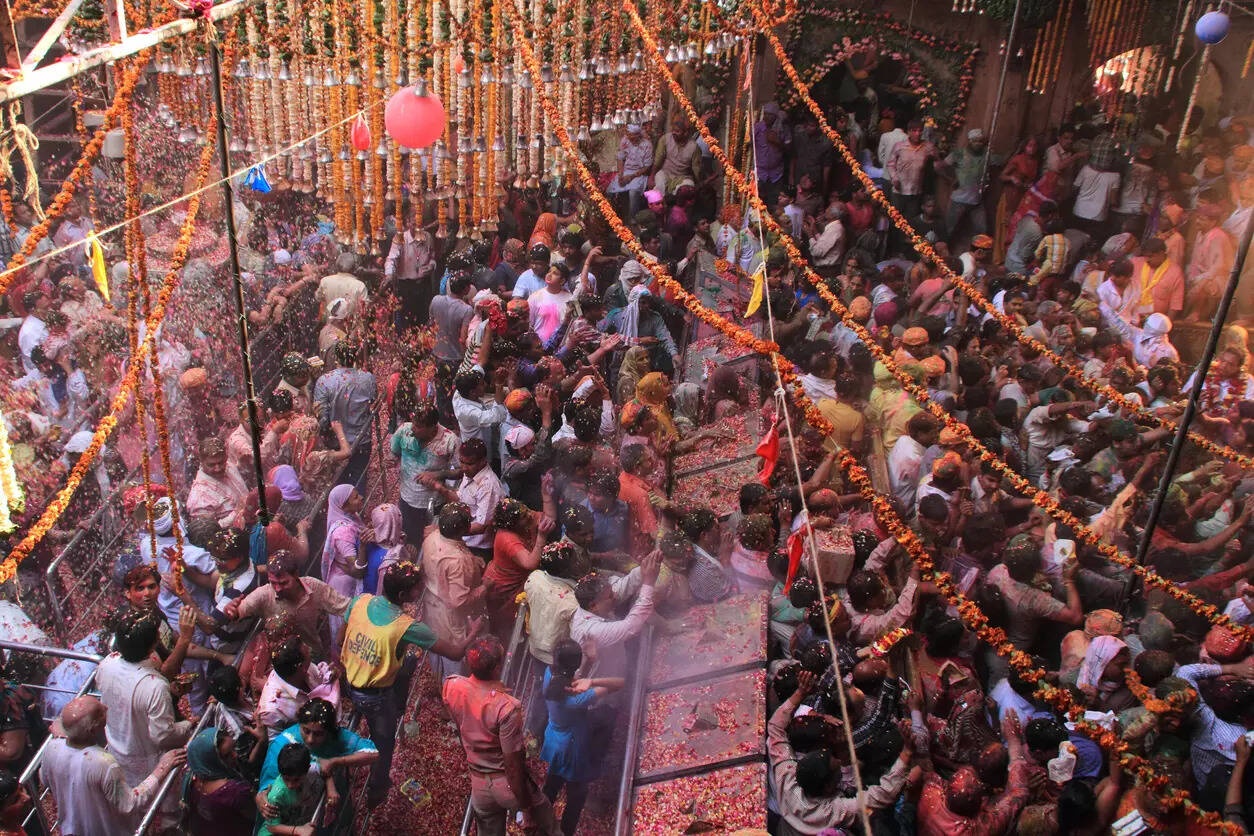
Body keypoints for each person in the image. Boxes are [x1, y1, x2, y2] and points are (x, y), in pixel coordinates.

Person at [342, 561, 479, 806]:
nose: (421, 590)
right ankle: (377, 789)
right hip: (375, 696)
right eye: (418, 588)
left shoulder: (360, 601)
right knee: (384, 742)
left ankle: (395, 705)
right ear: (404, 595)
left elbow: (346, 631)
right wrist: (472, 633)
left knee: (408, 662)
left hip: (350, 681)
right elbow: (456, 653)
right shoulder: (406, 626)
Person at [443, 636, 561, 836]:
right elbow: (513, 766)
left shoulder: (452, 686)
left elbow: (458, 720)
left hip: (479, 784)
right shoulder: (506, 707)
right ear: (497, 668)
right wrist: (526, 810)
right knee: (547, 824)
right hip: (505, 784)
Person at [40, 696, 187, 836]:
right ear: (92, 729)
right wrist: (162, 768)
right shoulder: (102, 763)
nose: (106, 707)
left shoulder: (51, 748)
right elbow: (130, 804)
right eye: (100, 712)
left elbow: (46, 780)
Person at [539, 640, 624, 836]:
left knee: (552, 785)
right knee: (576, 795)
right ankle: (566, 831)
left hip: (554, 740)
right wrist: (592, 681)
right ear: (574, 666)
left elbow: (572, 679)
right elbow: (620, 683)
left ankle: (539, 825)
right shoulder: (577, 699)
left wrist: (589, 661)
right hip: (572, 748)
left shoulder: (549, 674)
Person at [569, 550, 660, 680]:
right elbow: (632, 626)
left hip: (616, 670)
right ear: (593, 605)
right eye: (610, 596)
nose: (616, 596)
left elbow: (624, 586)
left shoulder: (593, 604)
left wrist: (644, 568)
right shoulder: (591, 630)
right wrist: (649, 583)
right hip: (602, 688)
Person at [389, 402, 460, 543]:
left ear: (433, 427)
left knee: (433, 541)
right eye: (413, 423)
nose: (413, 429)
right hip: (407, 501)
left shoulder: (449, 440)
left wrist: (437, 475)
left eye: (418, 426)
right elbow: (394, 453)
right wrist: (391, 460)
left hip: (434, 504)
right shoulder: (404, 430)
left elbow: (460, 471)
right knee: (409, 541)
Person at [314, 339, 376, 487]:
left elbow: (321, 419)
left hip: (335, 444)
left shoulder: (324, 381)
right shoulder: (368, 378)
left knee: (337, 485)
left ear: (336, 358)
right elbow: (372, 400)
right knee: (358, 483)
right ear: (355, 356)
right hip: (361, 441)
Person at [183, 727, 257, 836]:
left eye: (234, 748)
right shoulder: (234, 792)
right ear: (213, 760)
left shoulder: (193, 777)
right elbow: (257, 815)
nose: (235, 755)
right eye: (226, 755)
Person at [385, 203, 438, 332]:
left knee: (423, 321)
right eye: (414, 224)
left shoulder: (428, 238)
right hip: (406, 287)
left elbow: (432, 258)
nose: (417, 227)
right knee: (406, 324)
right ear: (408, 223)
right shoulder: (400, 238)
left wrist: (431, 266)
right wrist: (389, 274)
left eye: (419, 224)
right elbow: (391, 259)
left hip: (424, 287)